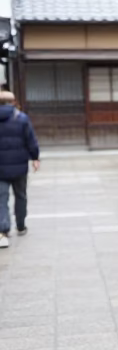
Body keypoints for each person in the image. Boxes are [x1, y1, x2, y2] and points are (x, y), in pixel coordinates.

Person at [0, 91, 40, 249]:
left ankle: (3, 229)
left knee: (1, 199)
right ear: (13, 102)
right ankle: (21, 225)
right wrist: (35, 158)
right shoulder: (21, 118)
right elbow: (31, 140)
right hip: (19, 166)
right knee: (21, 196)